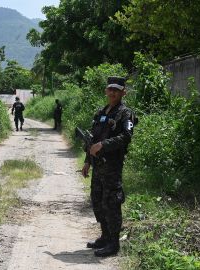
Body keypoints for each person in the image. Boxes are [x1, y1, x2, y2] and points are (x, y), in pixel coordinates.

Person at [81, 76, 135, 257]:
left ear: (123, 92)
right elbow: (92, 140)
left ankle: (114, 243)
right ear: (106, 91)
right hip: (97, 166)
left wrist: (104, 145)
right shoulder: (101, 112)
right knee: (97, 201)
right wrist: (87, 161)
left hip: (112, 166)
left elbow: (126, 137)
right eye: (110, 89)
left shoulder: (125, 113)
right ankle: (104, 236)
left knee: (111, 203)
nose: (112, 92)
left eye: (117, 90)